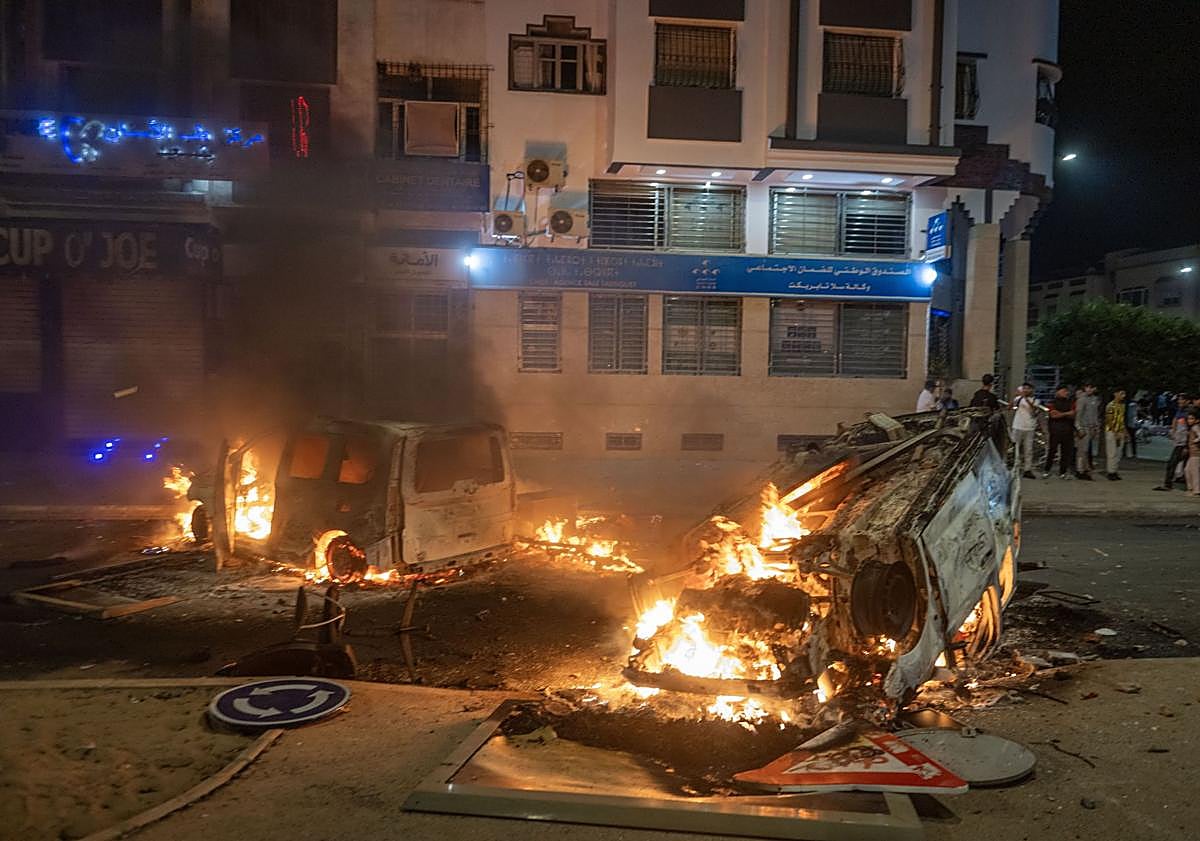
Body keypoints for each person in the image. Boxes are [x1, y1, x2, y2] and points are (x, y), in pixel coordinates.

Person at [1157, 402, 1191, 491]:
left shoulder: (1189, 413)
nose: (1180, 402)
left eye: (1182, 400)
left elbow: (1189, 431)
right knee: (1181, 464)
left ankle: (1169, 483)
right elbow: (1175, 422)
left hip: (1183, 443)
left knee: (1173, 463)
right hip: (1180, 442)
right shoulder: (1180, 411)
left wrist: (1187, 446)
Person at [1044, 385, 1076, 478]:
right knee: (1052, 451)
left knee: (1065, 452)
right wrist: (1066, 413)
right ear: (1058, 392)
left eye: (1067, 391)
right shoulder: (1052, 402)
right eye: (1064, 391)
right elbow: (1053, 415)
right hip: (1055, 430)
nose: (1066, 393)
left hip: (1068, 430)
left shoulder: (1071, 402)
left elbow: (1073, 414)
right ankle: (1047, 470)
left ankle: (1063, 472)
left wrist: (1061, 414)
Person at [1010, 382, 1040, 479]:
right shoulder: (1018, 399)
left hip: (1029, 427)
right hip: (1018, 426)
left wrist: (1026, 399)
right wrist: (1016, 397)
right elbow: (1011, 407)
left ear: (1032, 390)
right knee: (1016, 448)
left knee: (1028, 449)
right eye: (1024, 388)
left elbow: (1034, 412)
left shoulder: (1036, 400)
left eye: (1028, 388)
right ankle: (1015, 467)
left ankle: (1027, 469)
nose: (1026, 390)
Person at [1074, 383, 1100, 479]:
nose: (1090, 389)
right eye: (1088, 387)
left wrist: (1096, 427)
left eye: (1092, 387)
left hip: (1091, 428)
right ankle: (1080, 470)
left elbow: (1095, 414)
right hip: (1083, 427)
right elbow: (1078, 416)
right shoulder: (1081, 399)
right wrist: (1079, 428)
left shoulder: (1094, 399)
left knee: (1086, 450)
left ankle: (1085, 469)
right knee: (1082, 450)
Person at [1103, 389, 1127, 481]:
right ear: (1115, 394)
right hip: (1111, 431)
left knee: (1118, 452)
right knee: (1111, 452)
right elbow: (1109, 420)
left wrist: (1124, 431)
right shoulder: (1110, 405)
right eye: (1121, 393)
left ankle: (1115, 470)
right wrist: (1115, 432)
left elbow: (1122, 420)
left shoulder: (1122, 406)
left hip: (1120, 431)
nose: (1123, 396)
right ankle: (1110, 472)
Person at [1122, 392, 1139, 459]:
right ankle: (1134, 453)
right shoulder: (1133, 405)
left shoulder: (1126, 404)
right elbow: (1133, 415)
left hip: (1127, 423)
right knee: (1132, 439)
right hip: (1131, 424)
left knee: (1125, 439)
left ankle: (1124, 453)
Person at [1186, 411, 1200, 496]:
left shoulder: (1195, 427)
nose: (1189, 420)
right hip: (1193, 453)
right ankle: (1191, 488)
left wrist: (1195, 441)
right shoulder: (1193, 427)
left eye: (1191, 419)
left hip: (1196, 453)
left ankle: (1196, 490)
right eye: (1188, 418)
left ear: (1197, 420)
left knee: (1194, 472)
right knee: (1187, 470)